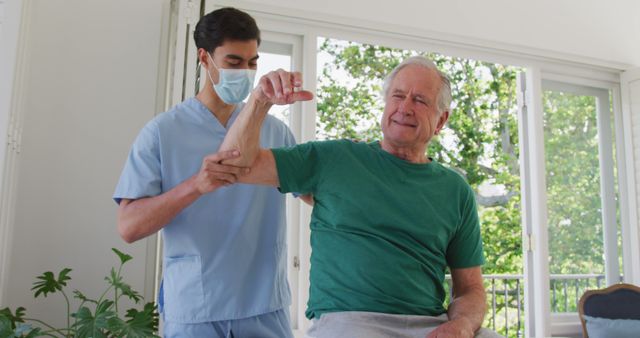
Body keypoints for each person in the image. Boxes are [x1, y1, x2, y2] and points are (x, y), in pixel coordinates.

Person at [218, 56, 503, 338]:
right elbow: (234, 164)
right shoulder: (335, 159)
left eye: (420, 100)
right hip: (350, 322)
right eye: (398, 96)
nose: (404, 108)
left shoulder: (455, 190)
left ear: (441, 120)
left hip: (429, 324)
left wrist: (462, 325)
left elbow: (470, 289)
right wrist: (260, 101)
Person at [113, 7, 298, 338]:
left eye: (253, 62)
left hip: (264, 308)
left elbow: (318, 194)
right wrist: (196, 186)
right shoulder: (162, 133)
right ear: (204, 57)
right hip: (196, 311)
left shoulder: (275, 133)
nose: (245, 72)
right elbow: (128, 227)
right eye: (233, 63)